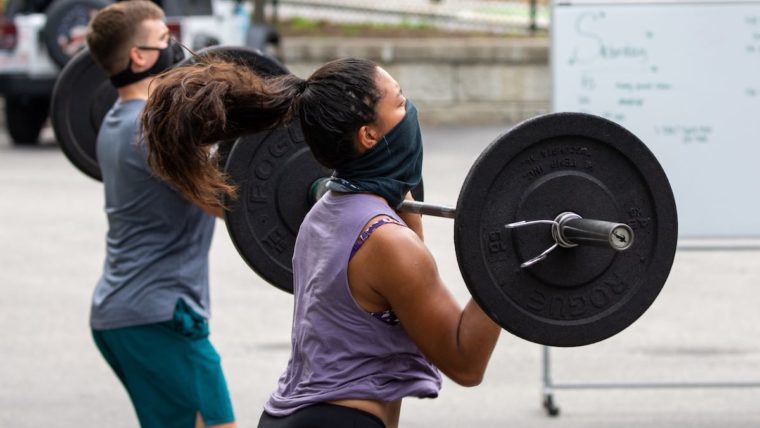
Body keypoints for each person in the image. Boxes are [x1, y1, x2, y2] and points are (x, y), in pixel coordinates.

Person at [142, 57, 502, 428]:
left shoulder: (323, 215)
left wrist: (397, 179)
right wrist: (509, 258)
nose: (410, 110)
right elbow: (465, 362)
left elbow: (412, 293)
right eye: (400, 101)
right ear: (369, 135)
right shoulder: (386, 242)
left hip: (291, 415)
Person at [85, 2, 236, 427]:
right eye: (165, 41)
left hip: (123, 311)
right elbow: (230, 203)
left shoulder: (116, 121)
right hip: (159, 316)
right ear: (139, 56)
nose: (176, 50)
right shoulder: (155, 132)